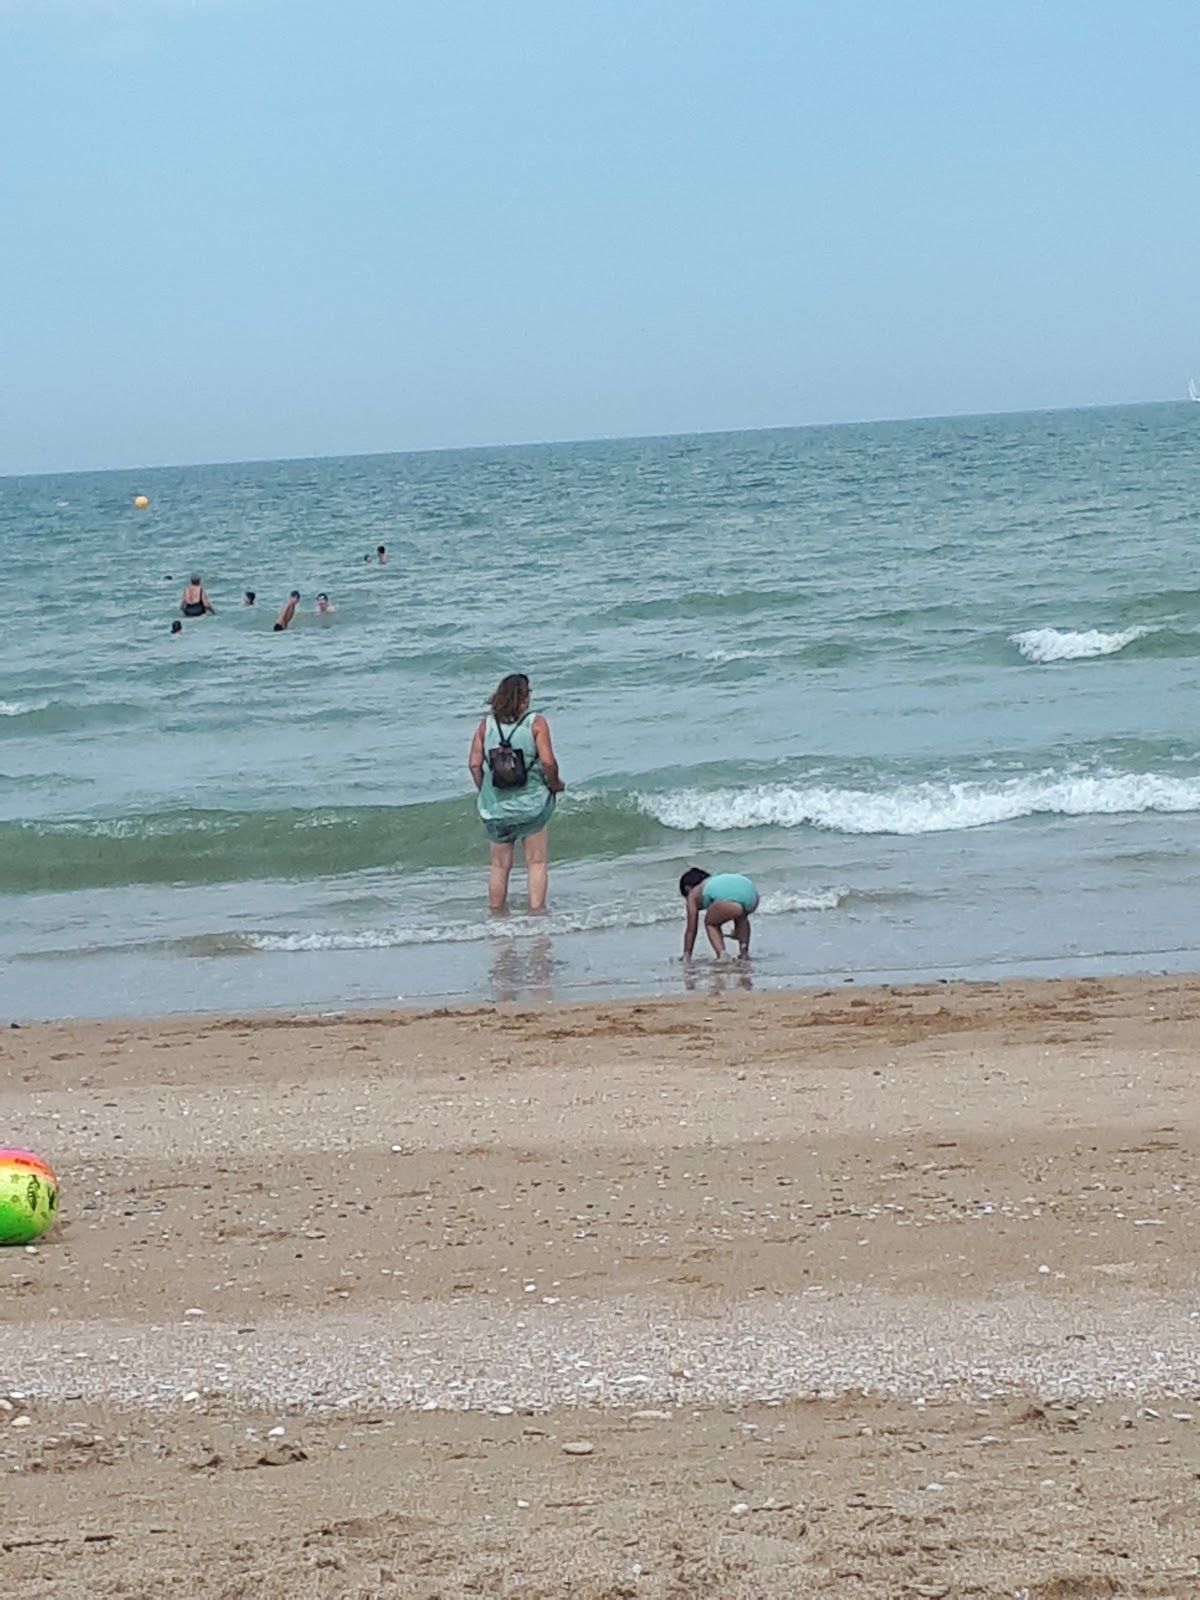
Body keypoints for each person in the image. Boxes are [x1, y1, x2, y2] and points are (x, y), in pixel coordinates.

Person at [468, 673, 564, 912]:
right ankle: (537, 914)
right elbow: (548, 762)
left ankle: (496, 915)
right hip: (531, 805)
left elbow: (473, 764)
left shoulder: (485, 726)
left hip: (496, 808)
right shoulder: (536, 723)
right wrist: (555, 784)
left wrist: (485, 791)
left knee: (499, 866)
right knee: (537, 862)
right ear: (523, 698)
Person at [679, 867, 760, 960]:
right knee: (741, 917)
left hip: (731, 902)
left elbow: (691, 930)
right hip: (752, 895)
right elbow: (737, 908)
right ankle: (744, 952)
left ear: (687, 889)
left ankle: (722, 954)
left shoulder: (693, 894)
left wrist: (687, 953)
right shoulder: (714, 882)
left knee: (711, 923)